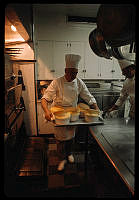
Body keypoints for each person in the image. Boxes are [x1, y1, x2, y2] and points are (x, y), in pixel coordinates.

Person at [41, 54, 99, 171]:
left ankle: (69, 154)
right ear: (66, 70)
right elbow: (45, 99)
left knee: (71, 137)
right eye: (72, 73)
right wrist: (47, 112)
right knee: (60, 139)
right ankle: (62, 159)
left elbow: (88, 96)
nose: (74, 75)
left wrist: (96, 108)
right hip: (59, 114)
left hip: (73, 114)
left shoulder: (78, 82)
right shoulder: (57, 82)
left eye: (76, 73)